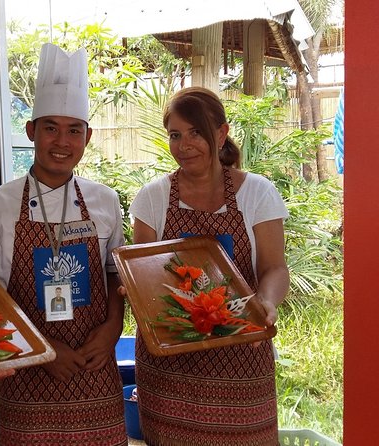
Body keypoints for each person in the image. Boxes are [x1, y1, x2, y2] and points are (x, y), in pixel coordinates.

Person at [0, 43, 127, 445]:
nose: (62, 141)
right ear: (31, 131)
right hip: (26, 373)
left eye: (74, 130)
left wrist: (112, 328)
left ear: (87, 137)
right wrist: (40, 347)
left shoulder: (104, 200)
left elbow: (115, 275)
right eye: (50, 127)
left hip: (94, 369)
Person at [129, 87, 289, 445]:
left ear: (221, 133)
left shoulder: (257, 193)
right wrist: (135, 290)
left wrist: (266, 302)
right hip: (170, 366)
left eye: (196, 132)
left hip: (241, 360)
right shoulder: (152, 197)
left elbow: (275, 268)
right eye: (175, 135)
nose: (184, 145)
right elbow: (143, 274)